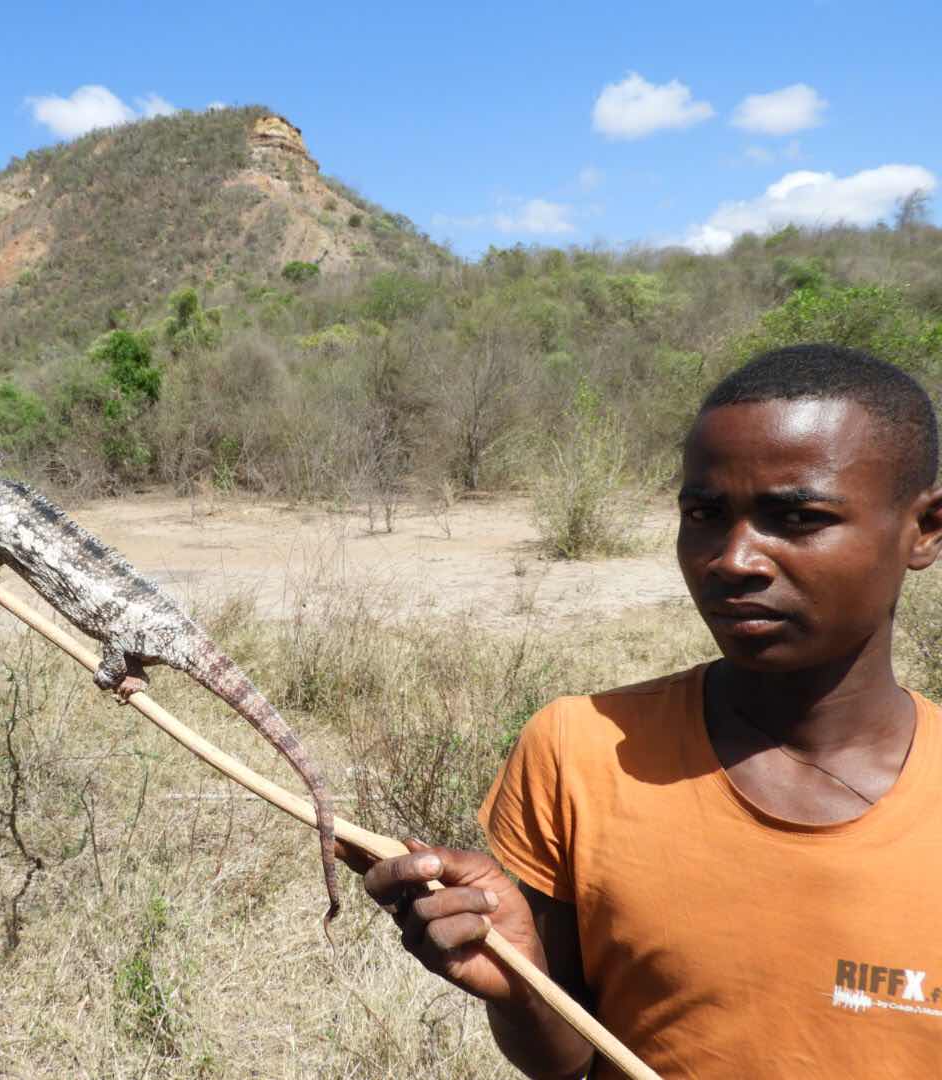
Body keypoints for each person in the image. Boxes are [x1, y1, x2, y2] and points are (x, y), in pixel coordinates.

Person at [354, 343, 942, 1077]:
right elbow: (566, 1058)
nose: (734, 559)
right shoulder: (580, 750)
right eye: (704, 513)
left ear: (925, 530)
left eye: (796, 517)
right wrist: (518, 987)